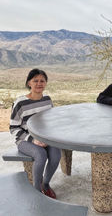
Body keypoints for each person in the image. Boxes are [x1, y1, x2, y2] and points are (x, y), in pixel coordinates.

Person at [10, 68, 61, 199]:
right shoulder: (20, 103)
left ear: (46, 83)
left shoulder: (47, 100)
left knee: (56, 155)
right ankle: (37, 192)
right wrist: (33, 140)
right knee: (41, 154)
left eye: (42, 81)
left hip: (45, 137)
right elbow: (13, 128)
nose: (39, 83)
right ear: (29, 83)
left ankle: (45, 184)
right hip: (25, 140)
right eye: (35, 80)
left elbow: (51, 122)